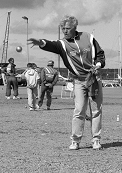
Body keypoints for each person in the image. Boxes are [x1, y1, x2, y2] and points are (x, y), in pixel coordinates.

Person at [27, 15, 105, 150]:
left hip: (94, 78)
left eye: (67, 28)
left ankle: (96, 140)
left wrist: (98, 64)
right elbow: (51, 44)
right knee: (79, 110)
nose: (65, 31)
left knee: (96, 110)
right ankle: (75, 140)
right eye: (63, 28)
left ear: (75, 27)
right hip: (79, 81)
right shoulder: (62, 44)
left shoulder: (88, 37)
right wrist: (41, 43)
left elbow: (100, 54)